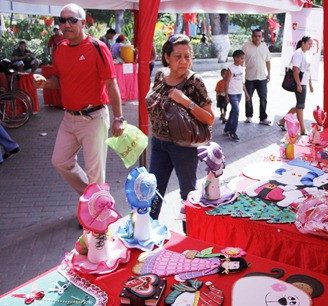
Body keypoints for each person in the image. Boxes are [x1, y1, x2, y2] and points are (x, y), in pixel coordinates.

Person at [32, 3, 125, 196]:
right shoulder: (60, 49)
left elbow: (111, 84)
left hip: (94, 117)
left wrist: (119, 118)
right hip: (69, 118)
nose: (67, 24)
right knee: (60, 161)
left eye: (72, 20)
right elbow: (59, 80)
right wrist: (45, 83)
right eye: (63, 20)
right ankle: (92, 198)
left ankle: (97, 214)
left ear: (83, 23)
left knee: (95, 173)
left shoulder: (97, 47)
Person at [145, 34, 214, 221]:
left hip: (183, 147)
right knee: (153, 193)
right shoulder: (160, 74)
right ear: (167, 57)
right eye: (178, 56)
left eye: (187, 56)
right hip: (159, 143)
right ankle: (148, 235)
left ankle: (190, 239)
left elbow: (209, 119)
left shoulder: (194, 81)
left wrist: (186, 101)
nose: (184, 61)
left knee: (187, 195)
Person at [277, 36, 314, 135]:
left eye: (311, 44)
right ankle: (302, 129)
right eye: (309, 44)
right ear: (303, 42)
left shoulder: (306, 53)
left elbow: (308, 69)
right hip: (300, 82)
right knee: (300, 106)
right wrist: (298, 84)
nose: (310, 46)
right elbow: (295, 70)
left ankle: (282, 121)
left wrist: (310, 83)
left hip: (304, 82)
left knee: (299, 106)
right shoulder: (298, 53)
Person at [242, 28, 272, 125]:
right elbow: (240, 61)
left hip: (262, 77)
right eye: (255, 36)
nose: (257, 38)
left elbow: (268, 61)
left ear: (261, 37)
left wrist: (269, 73)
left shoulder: (264, 47)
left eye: (259, 36)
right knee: (248, 97)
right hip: (250, 77)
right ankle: (249, 116)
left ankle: (263, 118)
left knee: (263, 98)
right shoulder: (246, 47)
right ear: (252, 36)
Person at [224, 49, 249, 141]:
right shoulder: (231, 69)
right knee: (236, 111)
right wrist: (226, 95)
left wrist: (246, 93)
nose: (243, 60)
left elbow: (242, 82)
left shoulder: (240, 68)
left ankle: (227, 128)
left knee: (233, 111)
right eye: (241, 58)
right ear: (236, 58)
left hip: (239, 93)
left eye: (243, 58)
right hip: (232, 94)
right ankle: (232, 131)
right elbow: (226, 82)